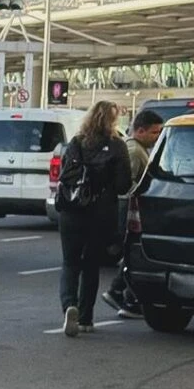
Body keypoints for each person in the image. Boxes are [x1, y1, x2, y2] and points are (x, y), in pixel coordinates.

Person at [56, 100, 132, 336]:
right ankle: (86, 318)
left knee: (70, 263)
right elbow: (123, 186)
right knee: (90, 266)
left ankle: (69, 305)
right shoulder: (118, 146)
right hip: (99, 214)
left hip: (71, 211)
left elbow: (64, 175)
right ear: (113, 121)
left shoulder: (76, 143)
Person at [101, 109, 164, 318]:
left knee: (133, 254)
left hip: (131, 212)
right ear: (140, 130)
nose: (157, 137)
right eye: (155, 133)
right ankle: (119, 293)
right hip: (129, 212)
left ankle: (129, 298)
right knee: (132, 253)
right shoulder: (134, 151)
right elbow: (126, 185)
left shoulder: (140, 149)